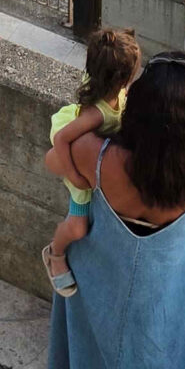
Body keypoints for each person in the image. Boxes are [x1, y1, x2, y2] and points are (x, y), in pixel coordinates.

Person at [45, 54, 185, 369]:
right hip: (163, 292)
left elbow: (54, 159)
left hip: (100, 278)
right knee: (159, 361)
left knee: (100, 357)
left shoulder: (94, 155)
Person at [43, 28, 143, 295]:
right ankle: (55, 253)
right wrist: (75, 177)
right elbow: (63, 139)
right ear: (123, 77)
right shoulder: (97, 115)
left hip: (88, 154)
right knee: (78, 227)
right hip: (76, 157)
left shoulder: (115, 91)